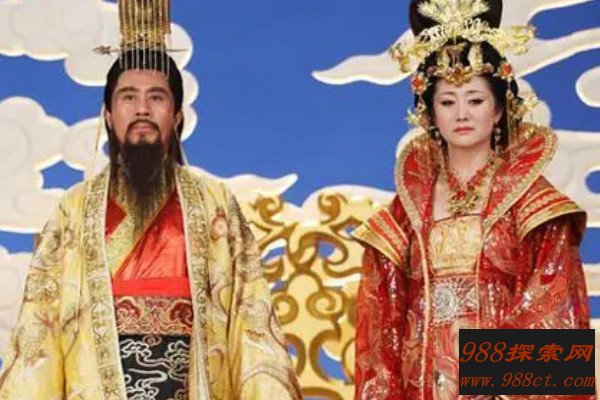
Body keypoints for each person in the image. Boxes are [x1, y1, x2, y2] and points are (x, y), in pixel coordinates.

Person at [0, 37, 301, 400]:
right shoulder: (74, 210)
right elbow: (39, 336)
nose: (142, 109)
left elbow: (252, 325)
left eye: (156, 98)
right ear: (108, 115)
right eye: (128, 97)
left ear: (177, 117)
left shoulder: (215, 204)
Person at [352, 0, 592, 399]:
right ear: (430, 113)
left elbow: (552, 307)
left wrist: (484, 382)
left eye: (475, 100)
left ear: (498, 110)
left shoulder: (531, 203)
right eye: (448, 101)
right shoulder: (408, 208)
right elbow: (383, 325)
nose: (461, 114)